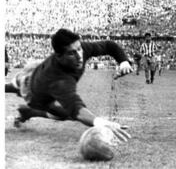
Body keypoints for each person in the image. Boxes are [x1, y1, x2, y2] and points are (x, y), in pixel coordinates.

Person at [5, 28, 133, 143]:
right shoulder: (58, 80)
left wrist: (123, 61)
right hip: (34, 93)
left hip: (39, 70)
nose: (80, 56)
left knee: (62, 114)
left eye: (79, 49)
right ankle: (27, 110)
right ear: (59, 56)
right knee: (63, 112)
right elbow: (76, 109)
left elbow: (109, 45)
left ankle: (26, 111)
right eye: (72, 53)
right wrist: (101, 123)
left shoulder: (82, 49)